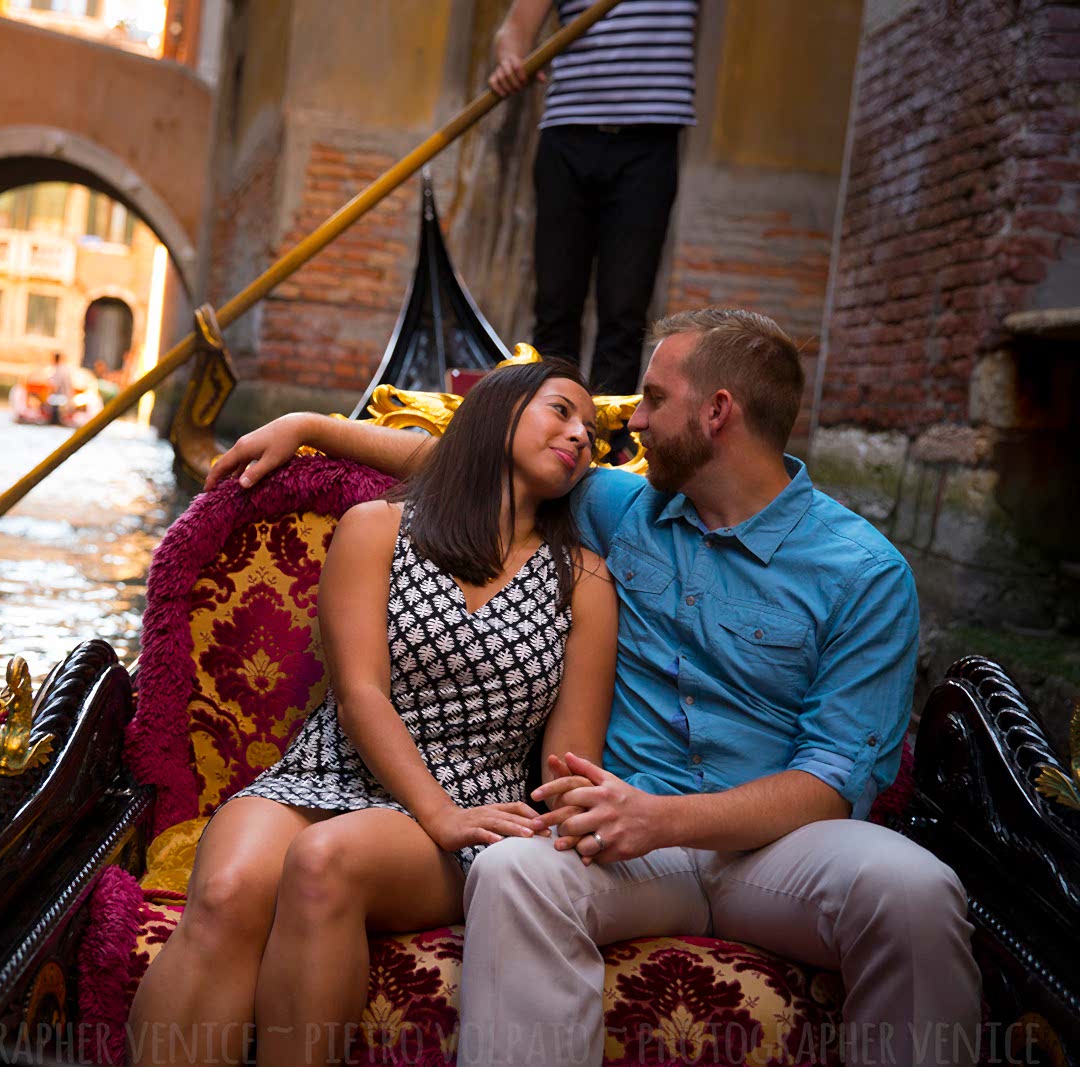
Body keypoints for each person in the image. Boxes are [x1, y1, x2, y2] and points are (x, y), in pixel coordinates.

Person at [205, 308, 981, 1067]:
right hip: (619, 840)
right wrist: (313, 426)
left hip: (780, 849)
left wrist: (664, 817)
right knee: (514, 872)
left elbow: (832, 779)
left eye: (652, 398)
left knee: (917, 889)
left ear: (717, 413)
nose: (631, 422)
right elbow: (471, 462)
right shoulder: (621, 506)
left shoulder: (865, 571)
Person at [128, 360, 620, 1065]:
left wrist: (489, 825)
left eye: (592, 434)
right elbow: (362, 694)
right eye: (562, 411)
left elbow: (565, 760)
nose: (580, 436)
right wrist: (307, 425)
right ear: (498, 413)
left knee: (325, 860)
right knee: (229, 886)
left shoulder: (586, 580)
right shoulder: (376, 528)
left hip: (470, 806)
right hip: (328, 769)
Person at [489, 0, 696, 396]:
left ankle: (610, 432)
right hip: (568, 139)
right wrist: (510, 59)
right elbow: (513, 31)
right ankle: (549, 420)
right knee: (555, 303)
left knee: (625, 308)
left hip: (648, 145)